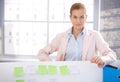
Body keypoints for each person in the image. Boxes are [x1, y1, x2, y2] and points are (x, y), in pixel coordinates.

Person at [37, 2, 117, 68]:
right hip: (65, 77)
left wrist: (103, 59)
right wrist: (52, 65)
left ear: (86, 17)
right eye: (75, 17)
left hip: (86, 77)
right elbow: (42, 53)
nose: (78, 21)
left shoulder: (94, 35)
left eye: (81, 17)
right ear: (70, 17)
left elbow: (111, 55)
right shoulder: (61, 37)